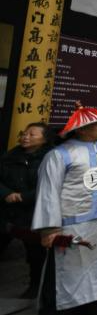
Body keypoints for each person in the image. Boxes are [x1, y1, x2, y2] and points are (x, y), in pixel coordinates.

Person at [33, 106, 97, 315]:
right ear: (81, 129)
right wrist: (49, 228)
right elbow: (48, 191)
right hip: (73, 220)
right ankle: (50, 312)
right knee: (64, 267)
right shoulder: (60, 154)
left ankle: (90, 302)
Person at [1, 122, 51, 299]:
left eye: (32, 134)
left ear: (44, 139)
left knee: (35, 252)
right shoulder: (10, 156)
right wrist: (6, 193)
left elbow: (50, 185)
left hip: (34, 211)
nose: (25, 137)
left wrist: (23, 197)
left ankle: (36, 285)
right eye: (24, 133)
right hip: (9, 211)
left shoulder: (51, 158)